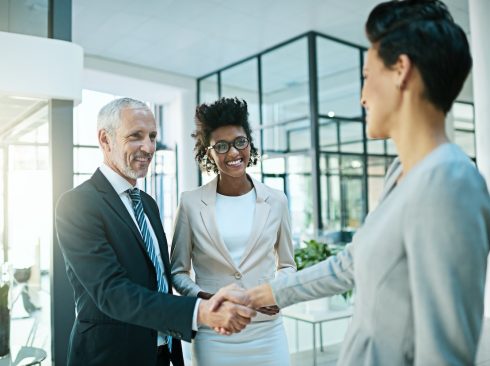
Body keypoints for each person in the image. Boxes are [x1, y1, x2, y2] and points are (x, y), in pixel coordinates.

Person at [211, 1, 490, 365]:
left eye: (366, 75)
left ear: (401, 71)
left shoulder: (450, 183)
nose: (362, 96)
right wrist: (257, 295)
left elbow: (445, 354)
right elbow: (349, 265)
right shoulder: (400, 174)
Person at [55, 97, 255, 366]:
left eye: (152, 136)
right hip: (111, 356)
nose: (148, 147)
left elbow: (160, 277)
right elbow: (112, 292)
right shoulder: (78, 203)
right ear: (105, 139)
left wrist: (209, 295)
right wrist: (201, 311)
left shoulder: (147, 204)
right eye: (136, 136)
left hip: (162, 353)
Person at [170, 97, 296, 365]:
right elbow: (178, 271)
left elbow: (287, 264)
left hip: (267, 331)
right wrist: (208, 298)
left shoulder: (277, 200)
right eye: (222, 146)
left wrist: (276, 291)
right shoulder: (191, 203)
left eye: (240, 142)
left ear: (249, 143)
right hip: (215, 330)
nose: (233, 153)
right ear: (209, 152)